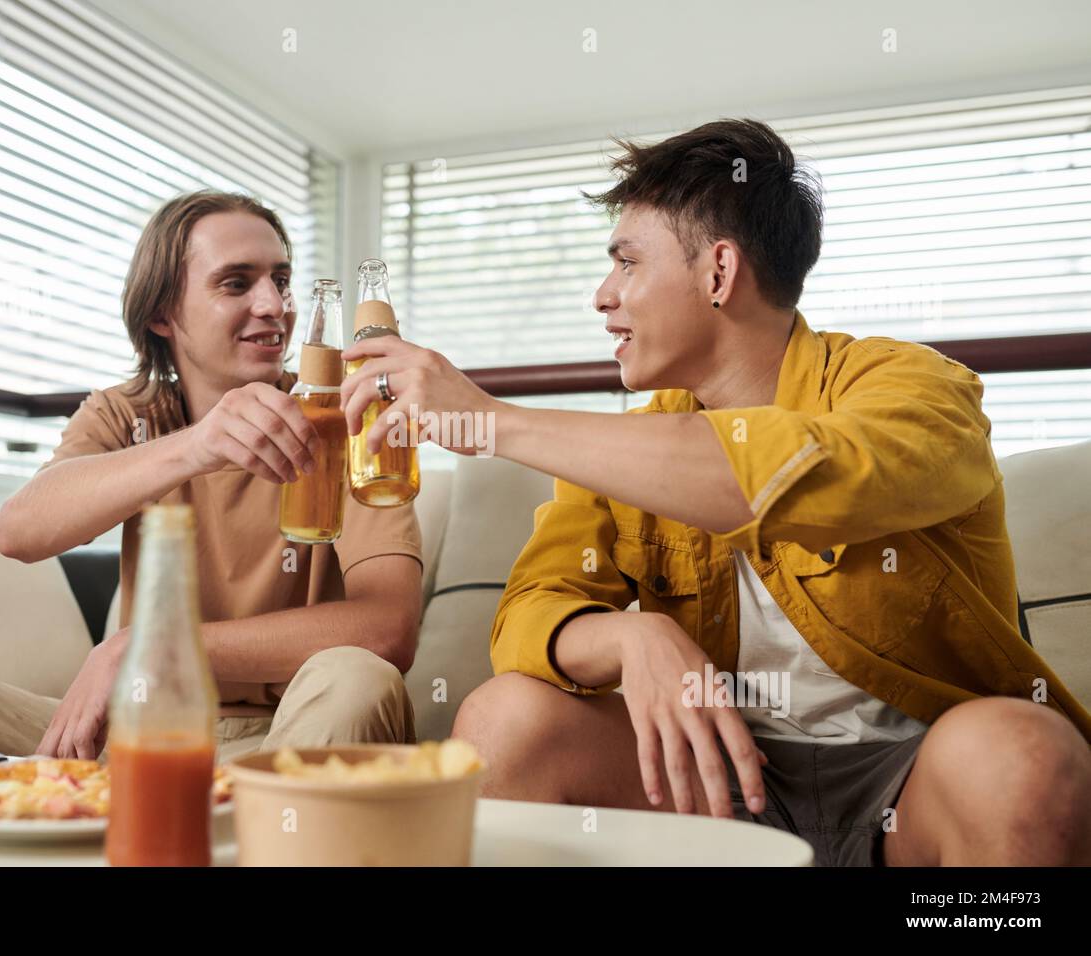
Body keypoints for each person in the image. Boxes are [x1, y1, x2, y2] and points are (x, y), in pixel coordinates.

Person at [338, 119, 1091, 866]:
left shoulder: (915, 387)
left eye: (626, 263)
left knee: (1020, 751)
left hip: (917, 778)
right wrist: (634, 637)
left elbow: (801, 474)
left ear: (719, 273)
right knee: (505, 718)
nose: (604, 296)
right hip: (720, 778)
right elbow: (528, 617)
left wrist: (492, 421)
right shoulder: (624, 447)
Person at [0, 191, 422, 761]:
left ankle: (258, 835)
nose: (274, 306)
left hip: (293, 735)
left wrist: (150, 646)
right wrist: (197, 445)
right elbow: (21, 532)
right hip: (137, 737)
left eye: (281, 281)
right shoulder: (125, 414)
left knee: (356, 677)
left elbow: (388, 630)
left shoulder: (348, 416)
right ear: (163, 313)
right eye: (237, 283)